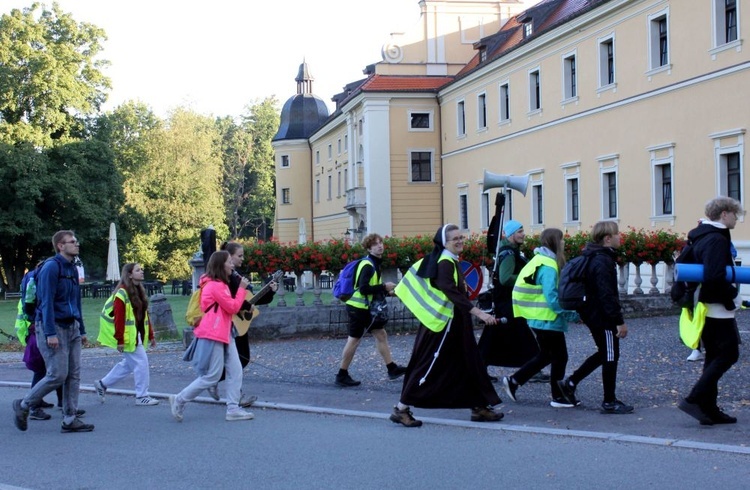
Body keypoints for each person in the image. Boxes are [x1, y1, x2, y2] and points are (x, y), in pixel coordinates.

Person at [390, 224, 503, 427]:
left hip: (456, 323)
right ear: (444, 243)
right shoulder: (445, 263)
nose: (460, 241)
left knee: (469, 363)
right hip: (444, 325)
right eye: (455, 239)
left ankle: (478, 406)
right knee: (427, 365)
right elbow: (451, 292)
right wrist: (479, 313)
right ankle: (401, 409)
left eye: (461, 237)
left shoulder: (449, 260)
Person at [12, 230, 93, 433]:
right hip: (53, 326)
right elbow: (46, 302)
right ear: (60, 246)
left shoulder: (73, 269)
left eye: (76, 240)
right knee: (57, 375)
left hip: (71, 326)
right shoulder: (51, 267)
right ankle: (24, 404)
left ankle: (69, 419)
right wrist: (50, 333)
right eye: (72, 242)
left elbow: (76, 302)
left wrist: (81, 330)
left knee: (73, 375)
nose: (77, 244)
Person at [678, 196, 743, 425]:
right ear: (724, 214)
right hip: (716, 307)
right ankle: (694, 399)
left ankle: (708, 408)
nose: (737, 218)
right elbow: (715, 276)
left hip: (705, 306)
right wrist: (733, 295)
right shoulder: (716, 239)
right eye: (735, 213)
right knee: (728, 354)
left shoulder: (701, 236)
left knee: (714, 357)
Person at [170, 250, 255, 422]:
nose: (232, 265)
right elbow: (232, 307)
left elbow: (231, 307)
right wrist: (241, 290)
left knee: (236, 370)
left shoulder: (218, 284)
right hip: (214, 333)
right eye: (229, 262)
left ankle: (233, 409)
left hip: (224, 332)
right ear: (221, 265)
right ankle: (179, 399)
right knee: (212, 376)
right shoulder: (214, 285)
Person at [558, 221, 633, 415]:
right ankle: (609, 401)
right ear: (607, 238)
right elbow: (607, 294)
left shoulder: (592, 255)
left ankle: (571, 382)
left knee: (605, 353)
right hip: (602, 316)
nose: (620, 237)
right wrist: (619, 321)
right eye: (617, 234)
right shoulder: (602, 260)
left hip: (592, 313)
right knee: (610, 355)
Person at [502, 228, 580, 408]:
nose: (563, 243)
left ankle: (514, 381)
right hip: (547, 319)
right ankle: (558, 397)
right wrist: (572, 315)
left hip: (538, 318)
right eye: (561, 240)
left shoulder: (538, 260)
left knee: (546, 355)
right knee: (560, 357)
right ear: (555, 243)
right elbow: (552, 298)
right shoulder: (549, 266)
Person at [206, 241, 277, 406]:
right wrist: (245, 304)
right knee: (238, 361)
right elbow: (232, 303)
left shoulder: (237, 276)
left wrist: (270, 291)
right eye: (239, 256)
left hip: (239, 323)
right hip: (230, 324)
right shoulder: (225, 279)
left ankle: (228, 393)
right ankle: (223, 389)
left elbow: (252, 299)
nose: (242, 259)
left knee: (240, 361)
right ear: (228, 257)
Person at [477, 220, 548, 383]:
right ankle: (532, 368)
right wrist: (527, 278)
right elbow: (505, 278)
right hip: (508, 302)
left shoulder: (508, 251)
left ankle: (479, 366)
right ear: (510, 235)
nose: (523, 234)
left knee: (493, 335)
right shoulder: (509, 253)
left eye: (522, 230)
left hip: (506, 301)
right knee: (522, 333)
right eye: (519, 231)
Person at [335, 233, 407, 387]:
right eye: (375, 244)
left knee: (381, 334)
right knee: (354, 340)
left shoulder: (373, 263)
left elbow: (370, 289)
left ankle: (391, 368)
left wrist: (387, 291)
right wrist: (383, 287)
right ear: (369, 248)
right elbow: (363, 288)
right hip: (358, 309)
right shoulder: (368, 265)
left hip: (362, 308)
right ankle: (341, 374)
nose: (380, 246)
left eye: (381, 243)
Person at [94, 263, 159, 406]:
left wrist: (151, 335)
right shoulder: (122, 293)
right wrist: (120, 340)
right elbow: (119, 318)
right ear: (129, 274)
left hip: (136, 335)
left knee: (129, 365)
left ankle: (102, 384)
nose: (142, 271)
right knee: (141, 363)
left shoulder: (138, 290)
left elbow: (144, 316)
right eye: (138, 270)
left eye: (142, 269)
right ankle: (142, 396)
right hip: (129, 337)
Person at [14, 263, 62, 421]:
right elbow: (32, 312)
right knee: (44, 369)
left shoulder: (31, 286)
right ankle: (32, 406)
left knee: (58, 367)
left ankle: (60, 402)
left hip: (35, 332)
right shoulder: (37, 289)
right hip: (36, 332)